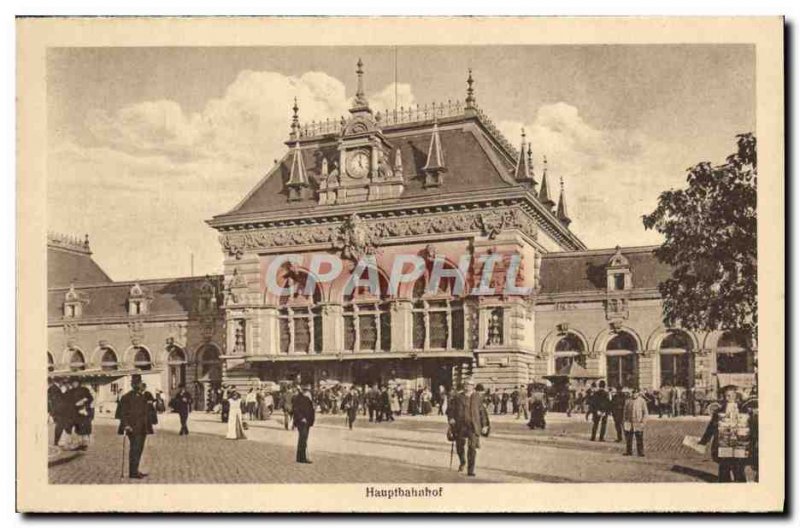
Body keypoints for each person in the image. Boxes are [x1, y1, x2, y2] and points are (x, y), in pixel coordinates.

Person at [699, 386, 753, 482]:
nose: (727, 398)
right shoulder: (719, 411)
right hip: (723, 445)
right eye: (725, 396)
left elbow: (750, 426)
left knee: (739, 470)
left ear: (735, 396)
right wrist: (704, 441)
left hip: (739, 446)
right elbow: (711, 427)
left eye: (729, 396)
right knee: (724, 470)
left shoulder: (744, 410)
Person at [447, 379, 490, 477]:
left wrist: (485, 425)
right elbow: (450, 410)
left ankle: (470, 470)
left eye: (470, 385)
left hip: (473, 426)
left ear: (473, 386)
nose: (467, 386)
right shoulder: (457, 397)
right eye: (466, 384)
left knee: (472, 447)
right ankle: (462, 461)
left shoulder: (477, 397)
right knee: (459, 446)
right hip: (460, 425)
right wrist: (451, 418)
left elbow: (482, 412)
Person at [115, 374, 154, 479]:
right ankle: (133, 472)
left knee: (139, 449)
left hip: (142, 428)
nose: (140, 385)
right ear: (134, 384)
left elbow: (147, 412)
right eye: (138, 383)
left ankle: (135, 470)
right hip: (132, 428)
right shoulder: (126, 397)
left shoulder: (142, 396)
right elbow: (121, 413)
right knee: (135, 449)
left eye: (140, 382)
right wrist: (126, 425)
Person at [67, 378, 94, 450]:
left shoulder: (84, 390)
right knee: (76, 429)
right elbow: (67, 402)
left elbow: (90, 398)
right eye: (73, 383)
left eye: (75, 382)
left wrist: (83, 402)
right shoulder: (70, 391)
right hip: (74, 413)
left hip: (83, 412)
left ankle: (84, 445)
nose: (74, 384)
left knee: (84, 429)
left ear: (79, 383)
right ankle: (76, 444)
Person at [292, 385, 316, 463]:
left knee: (303, 439)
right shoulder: (298, 398)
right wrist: (302, 418)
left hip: (307, 422)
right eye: (306, 391)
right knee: (303, 439)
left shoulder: (307, 398)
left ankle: (301, 457)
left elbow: (310, 409)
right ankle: (302, 458)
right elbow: (296, 409)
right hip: (302, 422)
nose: (308, 392)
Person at [622, 387, 648, 456]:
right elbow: (625, 412)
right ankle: (629, 451)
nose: (634, 395)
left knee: (639, 437)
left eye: (636, 393)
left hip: (638, 422)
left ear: (638, 393)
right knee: (629, 438)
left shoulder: (642, 401)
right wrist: (624, 421)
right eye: (633, 393)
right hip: (629, 422)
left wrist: (643, 422)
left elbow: (645, 413)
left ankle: (640, 452)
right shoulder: (628, 401)